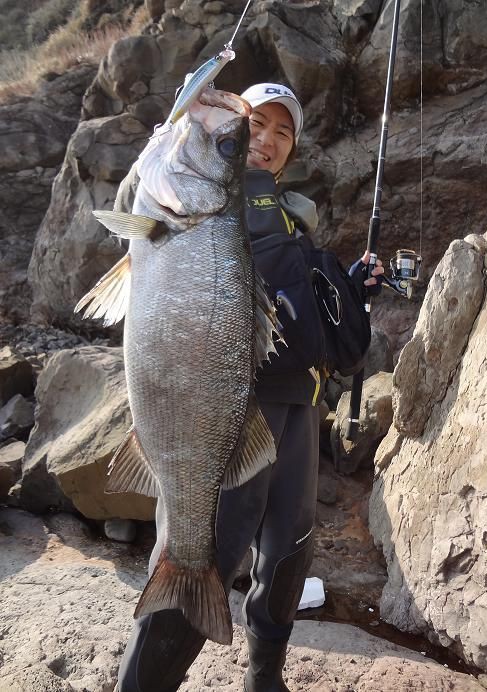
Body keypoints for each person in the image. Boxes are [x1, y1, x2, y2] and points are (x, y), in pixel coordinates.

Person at [116, 83, 384, 692]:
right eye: (254, 127)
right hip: (228, 401)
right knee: (205, 548)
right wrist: (177, 118)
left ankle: (266, 681)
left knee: (291, 554)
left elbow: (297, 300)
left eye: (281, 133)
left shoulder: (292, 215)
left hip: (300, 408)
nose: (264, 141)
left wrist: (349, 285)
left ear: (291, 150)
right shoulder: (198, 195)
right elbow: (136, 203)